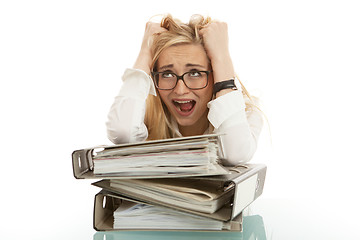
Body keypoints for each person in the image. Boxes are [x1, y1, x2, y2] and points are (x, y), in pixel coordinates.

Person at [106, 14, 263, 166]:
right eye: (167, 74)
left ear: (215, 75)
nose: (180, 90)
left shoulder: (246, 112)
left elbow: (235, 154)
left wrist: (222, 60)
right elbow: (122, 133)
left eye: (195, 73)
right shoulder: (142, 110)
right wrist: (145, 53)